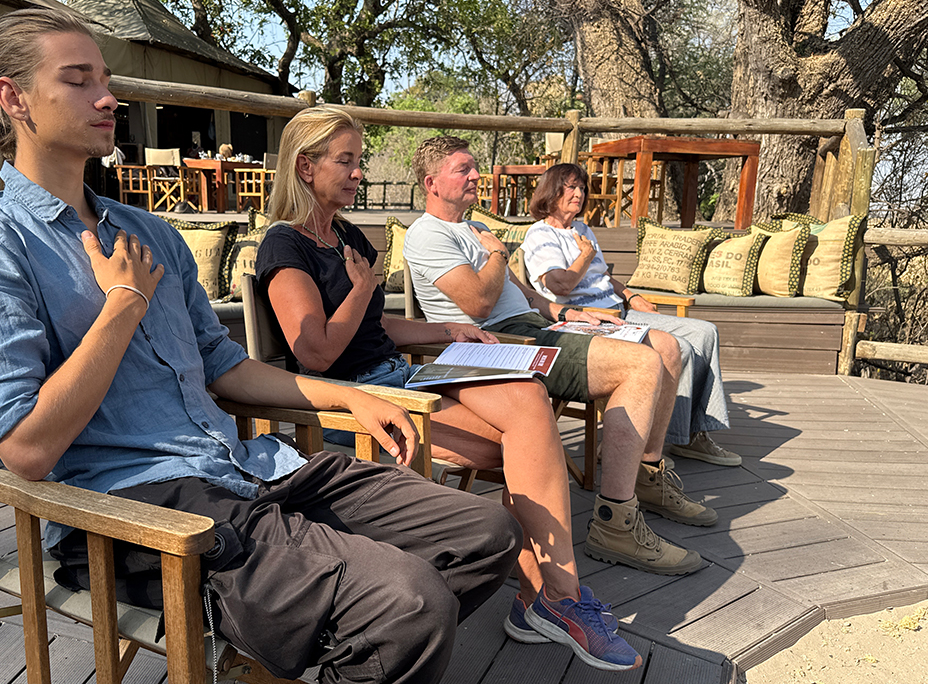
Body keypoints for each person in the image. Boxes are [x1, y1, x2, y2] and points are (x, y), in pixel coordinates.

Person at [0, 9, 521, 684]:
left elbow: (224, 366)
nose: (107, 96)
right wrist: (123, 304)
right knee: (408, 600)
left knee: (485, 533)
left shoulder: (148, 232)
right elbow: (26, 450)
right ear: (12, 97)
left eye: (106, 78)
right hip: (141, 513)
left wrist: (352, 397)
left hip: (248, 468)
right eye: (78, 79)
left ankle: (341, 649)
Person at [255, 105, 642, 671]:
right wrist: (364, 288)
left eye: (359, 161)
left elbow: (375, 328)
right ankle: (552, 601)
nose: (359, 172)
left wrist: (446, 329)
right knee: (529, 445)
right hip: (353, 403)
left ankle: (551, 599)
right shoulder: (284, 246)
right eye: (347, 162)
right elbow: (314, 350)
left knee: (527, 396)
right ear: (305, 167)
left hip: (402, 374)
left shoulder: (347, 236)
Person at [405, 135, 720, 576]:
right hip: (492, 346)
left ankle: (647, 477)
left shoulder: (473, 229)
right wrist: (498, 253)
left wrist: (574, 313)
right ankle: (615, 521)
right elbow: (477, 304)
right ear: (432, 182)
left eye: (475, 167)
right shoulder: (427, 234)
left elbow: (526, 296)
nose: (476, 175)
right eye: (464, 169)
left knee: (665, 346)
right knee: (640, 364)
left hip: (536, 327)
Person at [523, 163, 739, 466]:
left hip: (618, 309)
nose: (579, 193)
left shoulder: (582, 230)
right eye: (570, 187)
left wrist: (631, 294)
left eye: (582, 188)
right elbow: (560, 284)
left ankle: (691, 435)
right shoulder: (539, 235)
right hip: (588, 320)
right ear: (550, 191)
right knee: (682, 349)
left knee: (705, 332)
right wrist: (584, 256)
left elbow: (603, 277)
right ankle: (658, 443)